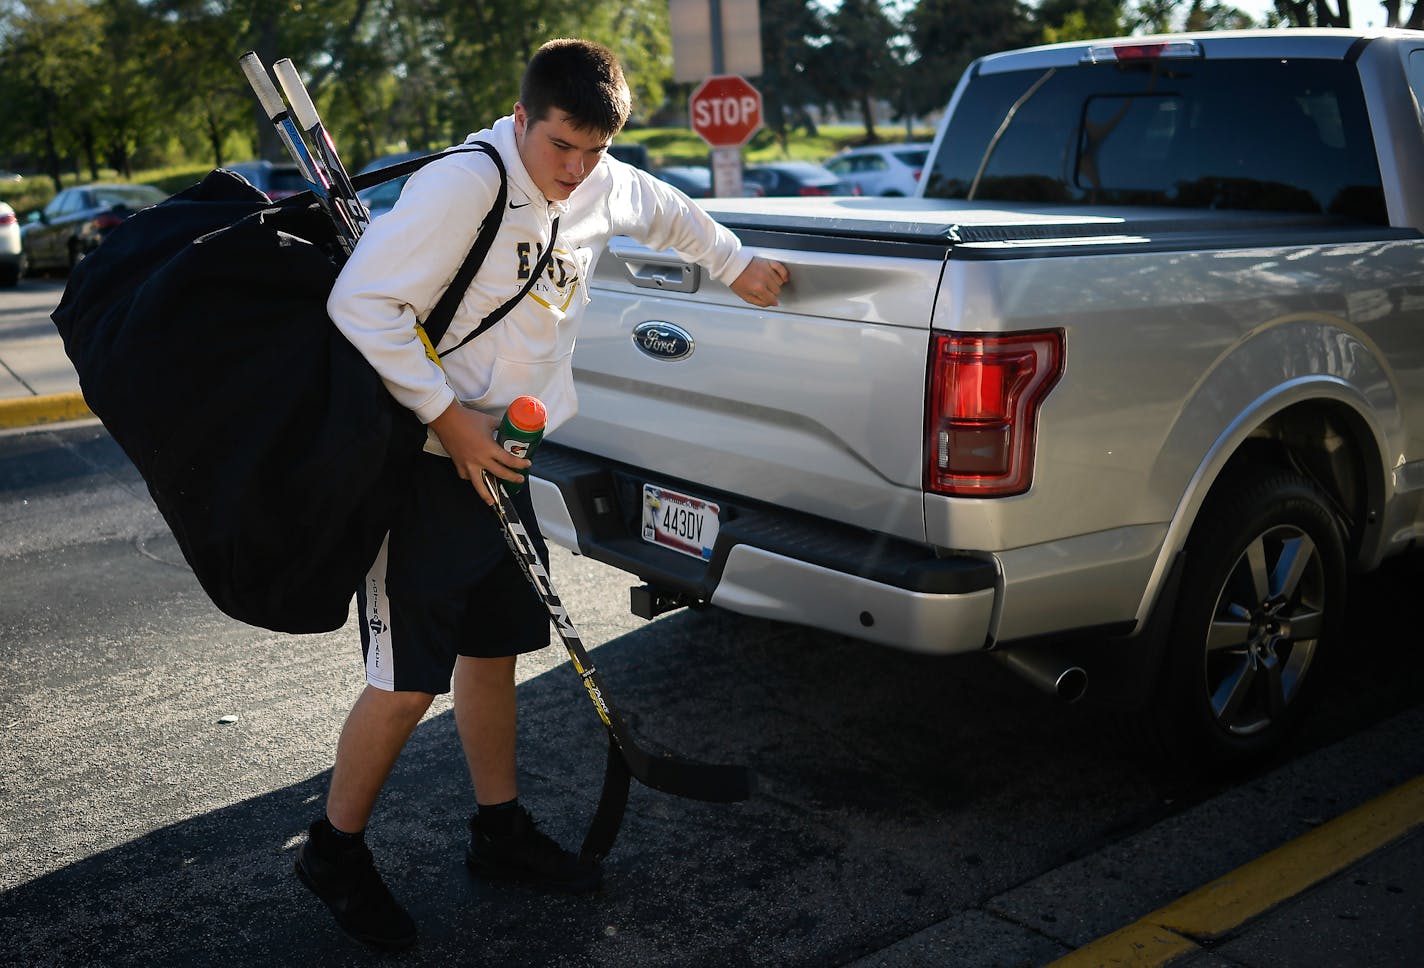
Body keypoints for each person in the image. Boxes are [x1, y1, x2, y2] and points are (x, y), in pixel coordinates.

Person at [293, 38, 789, 950]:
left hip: (509, 458)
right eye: (560, 145)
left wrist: (737, 264)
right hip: (428, 465)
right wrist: (449, 421)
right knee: (406, 686)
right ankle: (333, 850)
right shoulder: (464, 184)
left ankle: (500, 832)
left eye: (594, 151)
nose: (575, 169)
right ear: (522, 117)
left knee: (493, 654)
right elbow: (361, 303)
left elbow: (669, 211)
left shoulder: (603, 180)